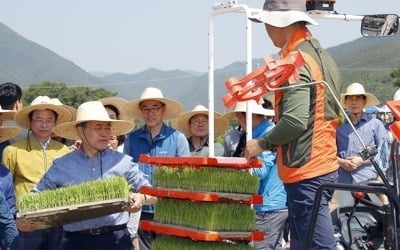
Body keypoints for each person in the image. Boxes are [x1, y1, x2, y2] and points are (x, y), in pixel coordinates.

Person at [244, 1, 343, 249]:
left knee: (317, 245)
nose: (265, 28)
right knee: (304, 243)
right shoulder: (322, 55)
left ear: (279, 23)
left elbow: (294, 121)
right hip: (323, 162)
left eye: (267, 22)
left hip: (306, 170)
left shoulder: (295, 62)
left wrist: (261, 143)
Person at [30, 101, 156, 250]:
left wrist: (141, 198)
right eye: (98, 128)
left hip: (116, 239)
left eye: (107, 128)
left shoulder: (122, 161)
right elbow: (34, 198)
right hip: (76, 241)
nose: (105, 133)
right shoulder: (62, 165)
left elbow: (153, 193)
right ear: (80, 130)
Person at [2, 96, 72, 250]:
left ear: (55, 123)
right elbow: (5, 191)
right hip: (26, 223)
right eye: (38, 119)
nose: (44, 125)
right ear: (30, 122)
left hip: (57, 221)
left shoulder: (64, 150)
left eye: (49, 120)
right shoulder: (13, 151)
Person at [124, 87, 190, 250]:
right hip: (141, 213)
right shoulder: (132, 139)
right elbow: (125, 174)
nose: (150, 113)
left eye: (155, 108)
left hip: (169, 213)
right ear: (140, 112)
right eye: (145, 109)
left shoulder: (177, 139)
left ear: (163, 110)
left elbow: (187, 177)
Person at [225, 100, 287, 250]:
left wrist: (235, 171)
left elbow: (261, 170)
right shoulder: (260, 133)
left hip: (268, 206)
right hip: (271, 204)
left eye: (240, 117)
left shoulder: (266, 136)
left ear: (250, 116)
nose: (240, 122)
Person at [336, 82, 389, 205]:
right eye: (350, 99)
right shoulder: (339, 127)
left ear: (364, 102)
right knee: (346, 216)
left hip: (370, 180)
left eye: (358, 98)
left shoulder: (375, 124)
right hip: (344, 181)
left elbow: (384, 151)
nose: (354, 102)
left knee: (374, 217)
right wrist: (342, 162)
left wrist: (361, 159)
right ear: (346, 102)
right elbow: (330, 154)